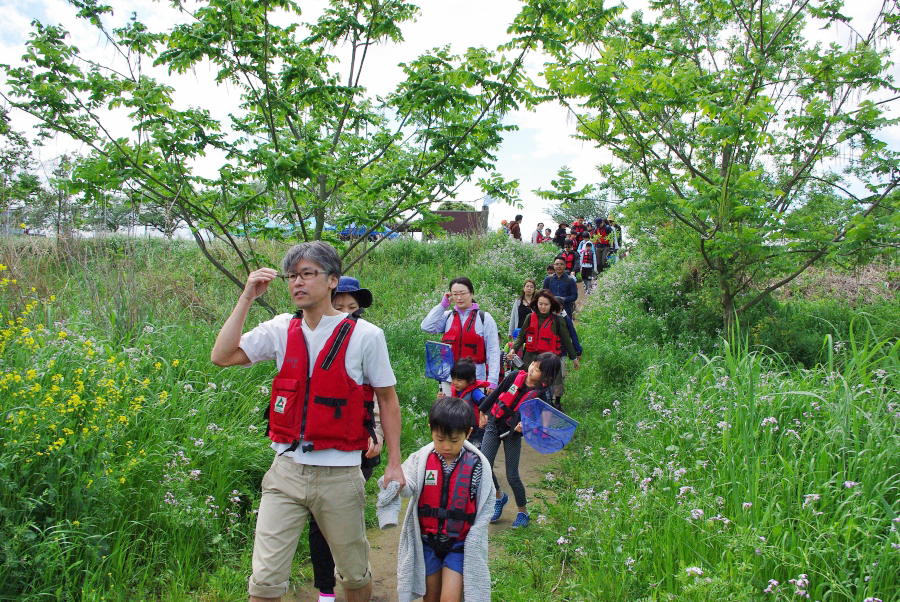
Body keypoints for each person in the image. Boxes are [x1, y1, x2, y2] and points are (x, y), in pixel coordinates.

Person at [210, 241, 405, 602]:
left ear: (332, 280)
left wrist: (394, 463)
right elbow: (221, 355)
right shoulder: (281, 328)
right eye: (292, 276)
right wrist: (246, 298)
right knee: (264, 581)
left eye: (307, 274)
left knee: (353, 572)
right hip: (285, 471)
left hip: (341, 474)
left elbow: (388, 400)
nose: (297, 282)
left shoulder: (367, 336)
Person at [308, 276, 384, 602]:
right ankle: (326, 590)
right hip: (319, 445)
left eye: (352, 308)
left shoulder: (368, 340)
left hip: (360, 445)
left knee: (346, 521)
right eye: (338, 306)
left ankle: (354, 579)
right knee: (318, 523)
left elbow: (380, 395)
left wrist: (377, 435)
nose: (345, 313)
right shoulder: (308, 338)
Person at [395, 397, 494, 602]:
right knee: (430, 597)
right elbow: (407, 481)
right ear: (431, 430)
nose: (446, 446)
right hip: (428, 542)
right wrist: (395, 484)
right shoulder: (421, 459)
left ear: (468, 433)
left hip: (458, 544)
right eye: (440, 440)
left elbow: (486, 503)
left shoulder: (477, 466)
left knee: (449, 598)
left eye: (454, 440)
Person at [478, 353, 561, 528]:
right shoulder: (515, 376)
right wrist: (482, 411)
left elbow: (542, 424)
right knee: (484, 464)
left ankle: (523, 511)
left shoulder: (542, 396)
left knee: (512, 475)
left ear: (547, 376)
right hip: (494, 423)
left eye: (538, 369)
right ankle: (499, 497)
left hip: (512, 434)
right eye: (532, 364)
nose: (531, 369)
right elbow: (498, 393)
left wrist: (526, 428)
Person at [421, 277, 501, 395]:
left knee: (472, 412)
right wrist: (442, 305)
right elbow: (426, 326)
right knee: (447, 412)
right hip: (449, 378)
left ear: (472, 293)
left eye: (463, 293)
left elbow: (493, 350)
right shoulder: (448, 317)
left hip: (474, 379)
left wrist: (492, 381)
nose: (459, 297)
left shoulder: (485, 318)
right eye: (455, 294)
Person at [507, 292, 579, 410]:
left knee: (548, 389)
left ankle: (549, 407)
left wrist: (574, 358)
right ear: (536, 304)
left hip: (549, 361)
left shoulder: (557, 320)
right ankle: (523, 408)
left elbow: (566, 340)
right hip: (531, 359)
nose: (543, 307)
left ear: (551, 305)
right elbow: (521, 337)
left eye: (546, 304)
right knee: (527, 384)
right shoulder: (530, 318)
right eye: (540, 304)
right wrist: (513, 349)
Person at [441, 358, 489, 448]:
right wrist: (442, 400)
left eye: (459, 380)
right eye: (453, 379)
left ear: (471, 380)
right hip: (460, 430)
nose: (455, 383)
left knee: (475, 454)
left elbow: (486, 402)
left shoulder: (475, 392)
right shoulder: (456, 391)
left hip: (476, 432)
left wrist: (483, 415)